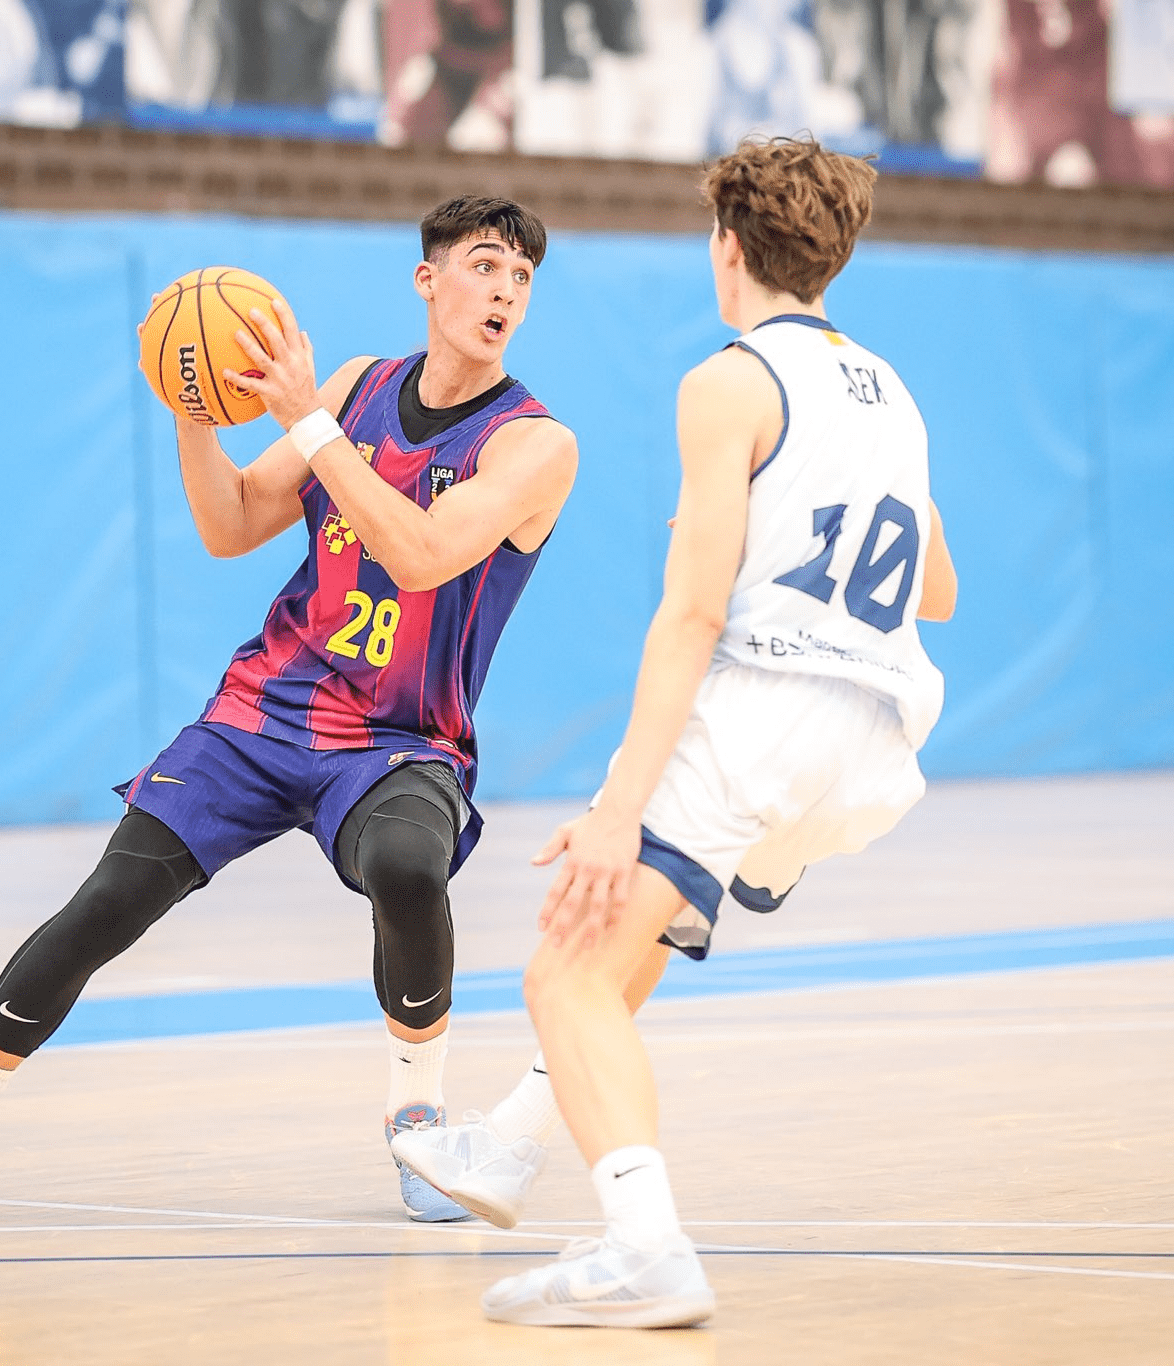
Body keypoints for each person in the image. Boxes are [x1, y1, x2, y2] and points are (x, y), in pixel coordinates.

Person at [0, 195, 578, 1225]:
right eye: (483, 264)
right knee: (110, 898)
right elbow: (231, 522)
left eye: (521, 276)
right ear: (428, 281)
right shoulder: (357, 389)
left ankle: (418, 1124)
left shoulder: (534, 444)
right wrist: (191, 406)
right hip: (267, 706)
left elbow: (421, 555)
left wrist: (308, 422)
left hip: (398, 737)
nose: (504, 290)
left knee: (408, 866)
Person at [391, 136, 959, 1327]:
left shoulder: (727, 383)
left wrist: (613, 809)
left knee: (562, 972)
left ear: (727, 247)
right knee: (635, 935)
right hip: (874, 742)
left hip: (766, 711)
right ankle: (508, 1143)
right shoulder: (892, 390)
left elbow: (692, 614)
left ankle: (643, 1248)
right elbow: (938, 588)